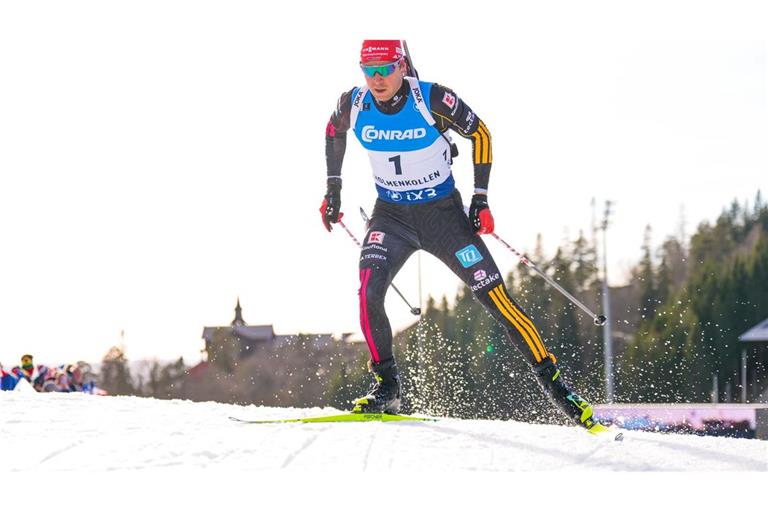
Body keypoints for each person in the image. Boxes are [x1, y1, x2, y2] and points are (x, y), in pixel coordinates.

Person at [321, 40, 605, 433]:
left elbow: (481, 133)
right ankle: (387, 388)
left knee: (497, 300)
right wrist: (333, 189)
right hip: (391, 217)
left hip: (443, 218)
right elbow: (333, 131)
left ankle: (559, 391)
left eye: (384, 69)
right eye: (368, 70)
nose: (377, 79)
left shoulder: (432, 99)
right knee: (369, 290)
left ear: (402, 66)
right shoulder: (354, 103)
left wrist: (481, 199)